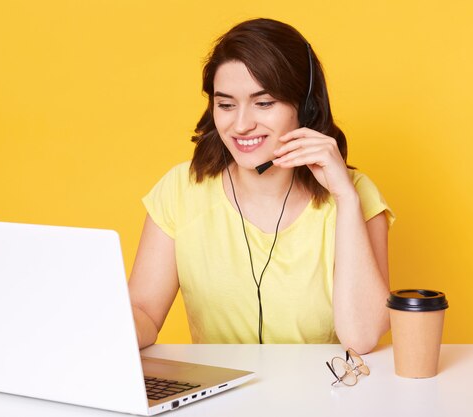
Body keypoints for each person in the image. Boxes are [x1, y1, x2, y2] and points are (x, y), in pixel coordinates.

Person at [128, 18, 395, 353]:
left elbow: (363, 336)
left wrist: (345, 197)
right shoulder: (180, 189)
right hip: (220, 402)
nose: (241, 125)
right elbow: (143, 314)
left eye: (264, 103)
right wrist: (95, 324)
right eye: (225, 105)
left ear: (306, 107)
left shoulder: (356, 194)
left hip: (320, 400)